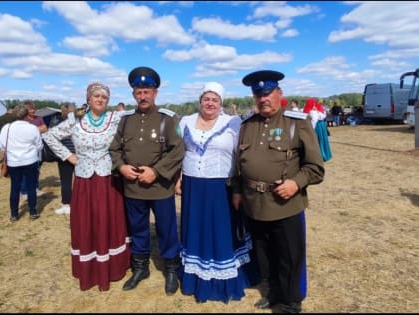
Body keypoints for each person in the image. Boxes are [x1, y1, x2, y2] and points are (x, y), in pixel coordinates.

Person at [231, 70, 325, 313]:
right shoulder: (247, 125)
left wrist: (295, 183)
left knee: (290, 256)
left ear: (279, 93)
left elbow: (315, 167)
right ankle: (274, 293)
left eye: (268, 93)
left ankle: (291, 302)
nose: (263, 99)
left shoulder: (296, 123)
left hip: (286, 204)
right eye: (258, 94)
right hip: (254, 204)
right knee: (265, 255)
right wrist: (238, 191)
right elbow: (239, 163)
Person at [175, 82, 259, 303]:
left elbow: (241, 157)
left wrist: (238, 188)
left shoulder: (232, 122)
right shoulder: (185, 121)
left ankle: (224, 279)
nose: (210, 103)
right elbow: (176, 152)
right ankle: (195, 277)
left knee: (221, 229)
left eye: (215, 100)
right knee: (197, 227)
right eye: (206, 99)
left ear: (221, 103)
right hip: (193, 184)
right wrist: (177, 178)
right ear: (200, 101)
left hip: (222, 185)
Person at [42, 82, 131, 291]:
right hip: (84, 180)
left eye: (104, 97)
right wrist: (69, 156)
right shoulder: (75, 120)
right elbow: (49, 136)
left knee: (109, 218)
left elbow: (136, 121)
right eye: (96, 96)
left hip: (108, 179)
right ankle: (89, 266)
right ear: (89, 98)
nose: (100, 99)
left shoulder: (114, 118)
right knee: (87, 220)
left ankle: (112, 265)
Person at [109, 66, 185, 295]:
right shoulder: (126, 121)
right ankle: (140, 268)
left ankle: (171, 269)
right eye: (138, 92)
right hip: (133, 188)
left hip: (160, 188)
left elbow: (178, 149)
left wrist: (157, 171)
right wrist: (121, 167)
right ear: (133, 94)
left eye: (147, 91)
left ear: (155, 93)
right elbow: (115, 148)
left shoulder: (167, 119)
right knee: (138, 228)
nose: (143, 96)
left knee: (167, 229)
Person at [0, 104, 43, 221]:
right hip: (30, 160)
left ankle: (14, 214)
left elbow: (2, 145)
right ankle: (33, 211)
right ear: (26, 114)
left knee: (15, 187)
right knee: (31, 186)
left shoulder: (6, 128)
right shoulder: (32, 128)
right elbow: (39, 145)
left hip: (14, 162)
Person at [21, 100, 48, 198]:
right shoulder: (23, 120)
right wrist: (38, 129)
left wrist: (32, 129)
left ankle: (35, 188)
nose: (33, 111)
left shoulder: (39, 118)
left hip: (38, 148)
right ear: (26, 110)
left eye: (34, 108)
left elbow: (45, 128)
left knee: (36, 169)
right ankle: (24, 191)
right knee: (26, 170)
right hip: (27, 148)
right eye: (30, 109)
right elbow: (25, 133)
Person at [53, 103, 76, 215]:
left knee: (65, 181)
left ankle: (66, 205)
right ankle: (78, 203)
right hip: (78, 155)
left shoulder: (59, 124)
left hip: (64, 156)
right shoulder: (79, 123)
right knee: (79, 181)